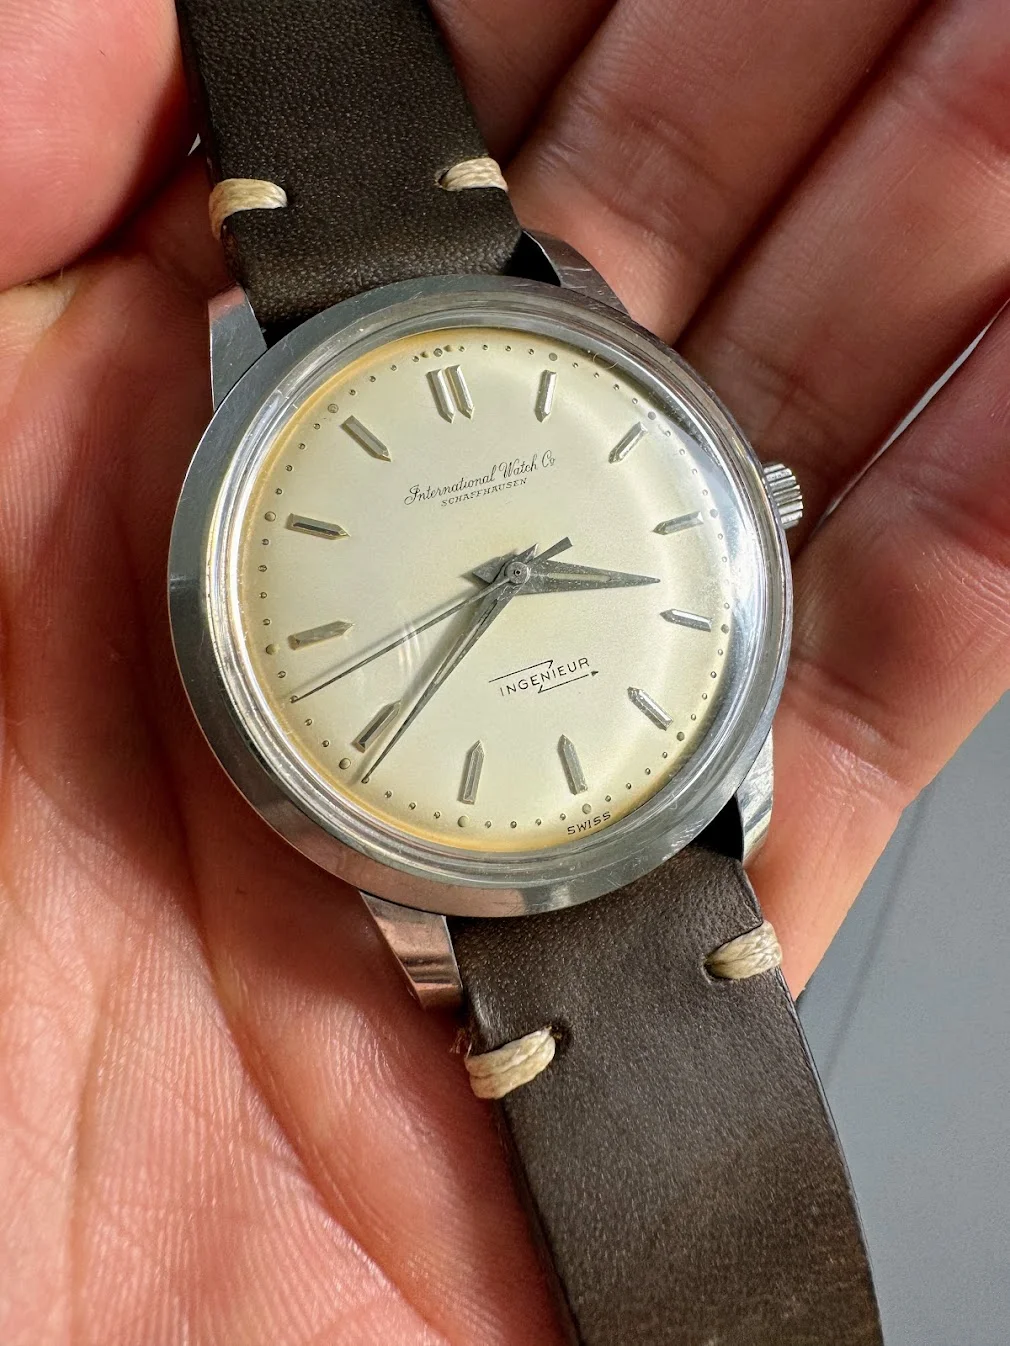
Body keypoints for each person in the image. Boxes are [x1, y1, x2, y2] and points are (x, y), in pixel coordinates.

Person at [0, 0, 1007, 1340]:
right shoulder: (258, 380)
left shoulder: (585, 360)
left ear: (747, 505)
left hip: (667, 783)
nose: (507, 581)